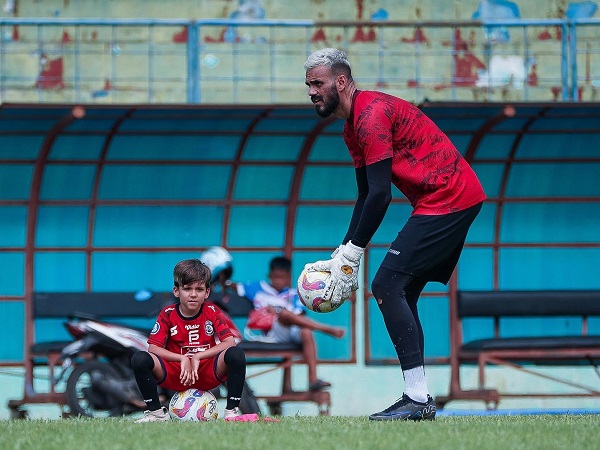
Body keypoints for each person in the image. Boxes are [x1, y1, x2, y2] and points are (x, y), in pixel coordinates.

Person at [303, 48, 486, 421]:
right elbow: (366, 195)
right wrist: (342, 251)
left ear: (341, 81)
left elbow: (382, 195)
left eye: (318, 83)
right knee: (398, 290)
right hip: (443, 199)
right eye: (308, 85)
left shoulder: (370, 116)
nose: (311, 92)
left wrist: (352, 255)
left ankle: (418, 398)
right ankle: (418, 398)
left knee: (386, 286)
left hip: (450, 197)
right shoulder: (350, 127)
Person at [131, 258, 247, 422]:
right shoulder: (168, 313)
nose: (193, 294)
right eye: (187, 289)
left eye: (199, 289)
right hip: (177, 372)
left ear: (207, 292)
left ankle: (231, 413)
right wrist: (182, 358)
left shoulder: (212, 311)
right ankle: (156, 413)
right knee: (140, 359)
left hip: (207, 371)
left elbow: (229, 342)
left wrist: (199, 356)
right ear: (176, 291)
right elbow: (153, 348)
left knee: (236, 354)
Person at [237, 256, 345, 392]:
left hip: (291, 331)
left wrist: (277, 310)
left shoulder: (294, 294)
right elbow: (231, 287)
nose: (278, 281)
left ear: (289, 277)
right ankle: (326, 329)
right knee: (284, 313)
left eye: (282, 277)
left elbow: (298, 317)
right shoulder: (257, 288)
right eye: (275, 277)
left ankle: (313, 380)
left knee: (305, 331)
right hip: (271, 333)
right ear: (269, 275)